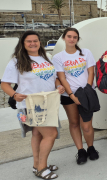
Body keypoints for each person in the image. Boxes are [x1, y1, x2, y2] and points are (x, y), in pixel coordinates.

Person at [1, 31, 65, 179]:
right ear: (23, 44)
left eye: (35, 41)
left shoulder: (46, 57)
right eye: (29, 41)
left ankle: (37, 164)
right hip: (31, 104)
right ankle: (42, 168)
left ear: (39, 42)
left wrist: (58, 86)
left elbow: (53, 77)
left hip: (49, 102)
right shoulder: (17, 61)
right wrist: (14, 95)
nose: (33, 43)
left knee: (37, 133)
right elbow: (5, 84)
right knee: (51, 134)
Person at [52, 28, 98, 165]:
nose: (72, 39)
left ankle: (91, 147)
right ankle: (80, 150)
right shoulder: (58, 57)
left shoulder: (86, 53)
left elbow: (91, 72)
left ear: (78, 39)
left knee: (87, 125)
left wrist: (87, 91)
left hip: (86, 94)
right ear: (64, 38)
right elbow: (62, 78)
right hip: (68, 95)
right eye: (69, 36)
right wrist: (72, 95)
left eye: (75, 37)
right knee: (74, 123)